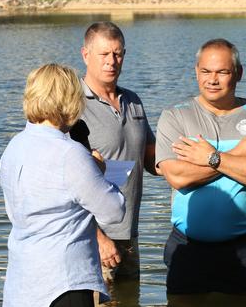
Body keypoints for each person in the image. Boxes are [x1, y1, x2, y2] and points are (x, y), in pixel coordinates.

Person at [156, 38, 246, 296]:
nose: (212, 79)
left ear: (238, 73)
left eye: (222, 72)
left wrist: (211, 158)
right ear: (196, 71)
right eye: (205, 71)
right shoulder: (175, 117)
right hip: (187, 249)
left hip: (244, 249)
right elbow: (177, 177)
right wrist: (238, 155)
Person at [0, 64, 125, 307]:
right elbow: (114, 211)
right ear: (70, 100)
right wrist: (100, 172)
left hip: (22, 282)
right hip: (64, 283)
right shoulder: (70, 154)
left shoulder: (14, 147)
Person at [70, 22, 157, 289]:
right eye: (104, 54)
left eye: (117, 54)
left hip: (129, 234)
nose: (112, 62)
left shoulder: (133, 100)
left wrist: (212, 159)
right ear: (86, 55)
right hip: (93, 239)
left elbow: (153, 160)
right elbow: (66, 185)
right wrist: (98, 238)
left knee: (130, 301)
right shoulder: (73, 106)